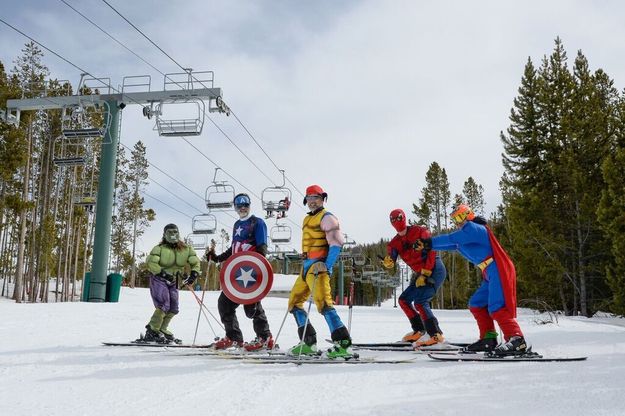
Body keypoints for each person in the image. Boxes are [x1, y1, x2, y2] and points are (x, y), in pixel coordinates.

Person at [416, 204, 527, 355]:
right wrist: (429, 247)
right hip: (489, 271)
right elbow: (454, 244)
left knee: (496, 306)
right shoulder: (468, 231)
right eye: (455, 219)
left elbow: (452, 238)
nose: (458, 221)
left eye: (460, 216)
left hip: (498, 269)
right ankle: (488, 339)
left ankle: (517, 339)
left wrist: (429, 242)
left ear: (469, 214)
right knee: (477, 304)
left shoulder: (473, 227)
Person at [287, 184, 352, 358]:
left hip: (318, 267)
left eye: (315, 197)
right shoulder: (306, 219)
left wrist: (326, 264)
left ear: (322, 199)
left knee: (323, 303)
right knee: (294, 303)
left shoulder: (327, 217)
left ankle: (343, 344)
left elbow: (337, 243)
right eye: (309, 198)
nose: (312, 201)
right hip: (306, 267)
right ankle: (308, 342)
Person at [206, 193, 274, 351]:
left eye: (245, 204)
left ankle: (265, 338)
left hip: (251, 273)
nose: (242, 207)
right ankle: (234, 338)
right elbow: (234, 248)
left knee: (252, 307)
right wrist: (217, 258)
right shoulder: (237, 224)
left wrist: (257, 268)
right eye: (239, 205)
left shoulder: (257, 222)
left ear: (250, 205)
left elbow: (262, 248)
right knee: (224, 304)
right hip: (237, 274)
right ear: (235, 207)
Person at [381, 208, 447, 346]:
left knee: (420, 301)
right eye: (393, 219)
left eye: (399, 218)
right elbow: (391, 257)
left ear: (404, 217)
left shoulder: (419, 231)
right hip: (420, 274)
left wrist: (425, 273)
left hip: (434, 268)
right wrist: (389, 262)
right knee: (404, 300)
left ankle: (436, 334)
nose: (396, 221)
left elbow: (432, 252)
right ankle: (419, 331)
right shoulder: (394, 243)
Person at [144, 223, 201, 343]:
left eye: (175, 232)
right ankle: (152, 330)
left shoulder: (186, 249)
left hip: (173, 281)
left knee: (174, 307)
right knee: (164, 304)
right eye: (170, 232)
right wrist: (162, 273)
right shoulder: (159, 249)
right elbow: (151, 262)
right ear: (164, 234)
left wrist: (193, 274)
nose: (173, 235)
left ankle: (162, 329)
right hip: (159, 279)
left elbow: (195, 261)